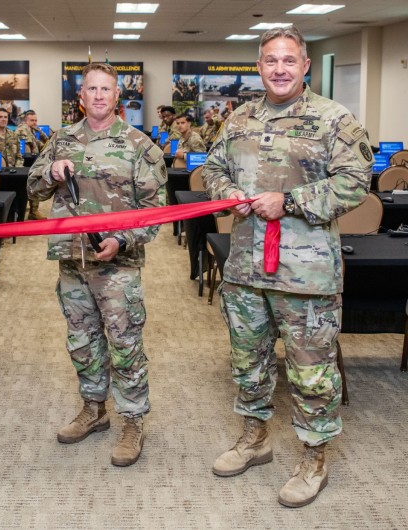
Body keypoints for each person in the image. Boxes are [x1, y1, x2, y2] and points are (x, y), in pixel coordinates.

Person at [202, 26, 373, 508]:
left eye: (289, 61)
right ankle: (255, 440)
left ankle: (314, 459)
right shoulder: (237, 118)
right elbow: (212, 169)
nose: (279, 69)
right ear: (258, 67)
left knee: (311, 374)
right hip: (244, 270)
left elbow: (356, 181)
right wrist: (225, 194)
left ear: (305, 66)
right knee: (248, 365)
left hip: (307, 275)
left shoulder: (333, 118)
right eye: (270, 61)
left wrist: (292, 201)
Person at [27, 63, 167, 467]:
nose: (100, 95)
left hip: (118, 265)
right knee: (83, 342)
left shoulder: (139, 145)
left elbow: (155, 211)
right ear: (82, 97)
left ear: (117, 97)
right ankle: (93, 410)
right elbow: (33, 189)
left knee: (125, 345)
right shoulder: (61, 140)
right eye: (93, 89)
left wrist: (122, 239)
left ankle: (133, 420)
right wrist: (50, 171)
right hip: (72, 260)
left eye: (107, 89)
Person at [17, 110, 50, 220]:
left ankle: (33, 210)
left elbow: (45, 143)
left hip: (33, 161)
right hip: (26, 162)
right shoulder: (23, 129)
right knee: (34, 185)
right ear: (26, 120)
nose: (35, 122)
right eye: (32, 120)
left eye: (36, 120)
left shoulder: (31, 130)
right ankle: (33, 211)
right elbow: (27, 150)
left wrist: (39, 131)